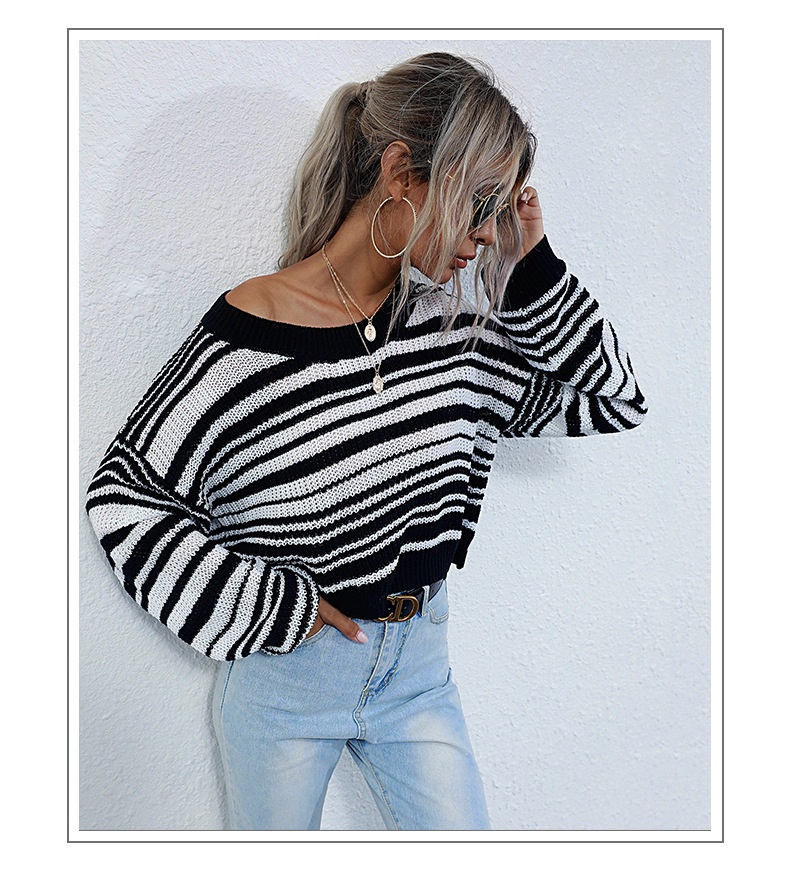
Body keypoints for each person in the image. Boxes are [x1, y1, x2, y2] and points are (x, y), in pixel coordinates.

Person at [86, 51, 647, 831]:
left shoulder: (454, 338)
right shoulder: (249, 335)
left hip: (420, 676)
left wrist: (531, 272)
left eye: (497, 212)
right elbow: (124, 493)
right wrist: (272, 605)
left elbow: (616, 401)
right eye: (479, 202)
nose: (485, 235)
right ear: (400, 171)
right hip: (287, 683)